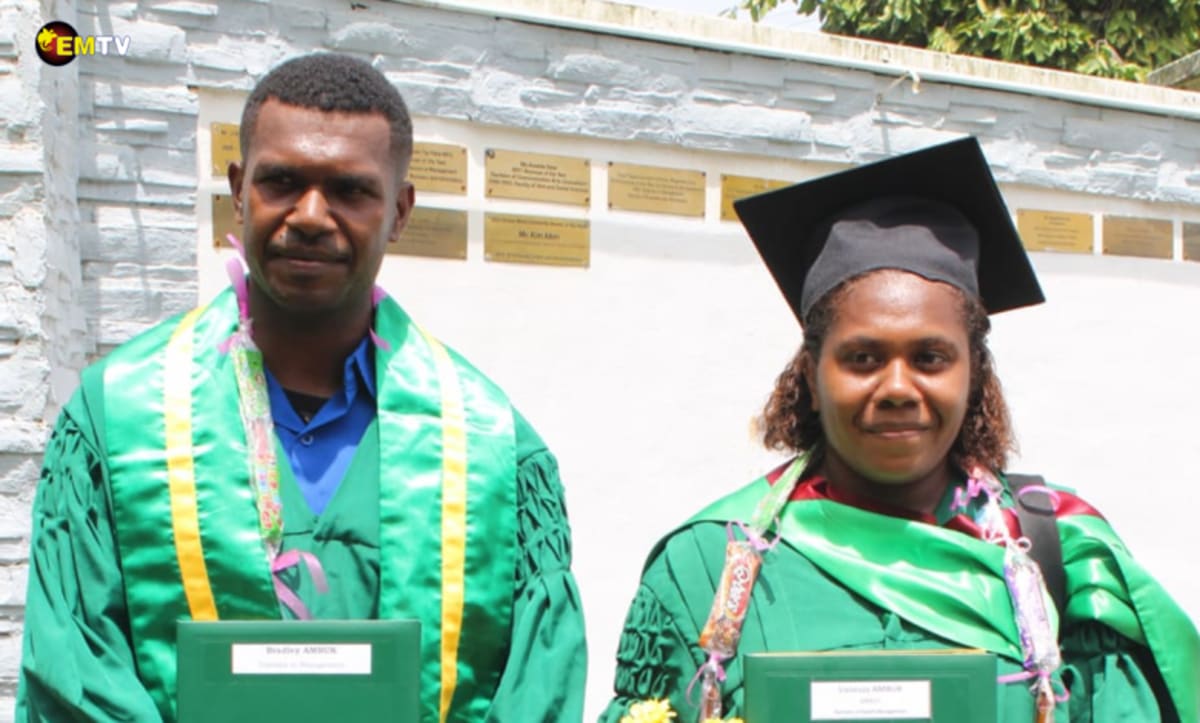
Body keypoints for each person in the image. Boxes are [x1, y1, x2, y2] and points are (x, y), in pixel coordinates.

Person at [16, 52, 586, 722]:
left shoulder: (492, 446)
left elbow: (534, 695)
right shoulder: (118, 420)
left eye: (350, 190)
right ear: (238, 188)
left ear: (400, 211)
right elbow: (76, 680)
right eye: (281, 181)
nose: (311, 214)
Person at [599, 138, 1198, 722]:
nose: (896, 388)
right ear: (811, 374)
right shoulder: (707, 565)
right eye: (861, 358)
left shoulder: (1063, 558)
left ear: (973, 372)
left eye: (931, 358)